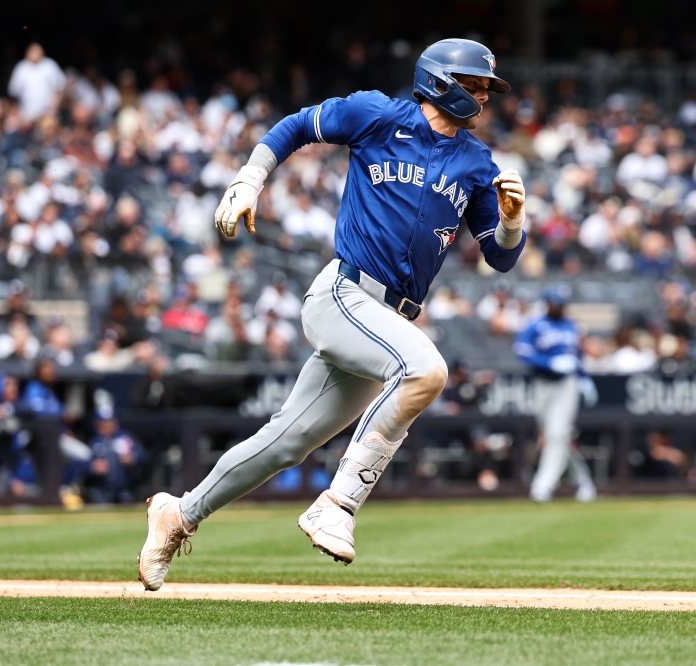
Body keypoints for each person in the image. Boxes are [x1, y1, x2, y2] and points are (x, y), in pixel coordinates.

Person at [138, 39, 526, 590]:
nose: (484, 96)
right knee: (426, 371)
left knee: (287, 441)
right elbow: (295, 126)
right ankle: (337, 504)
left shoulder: (476, 161)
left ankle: (178, 514)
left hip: (390, 318)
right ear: (439, 81)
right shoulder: (378, 114)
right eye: (475, 83)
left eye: (487, 86)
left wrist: (512, 221)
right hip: (345, 294)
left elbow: (501, 257)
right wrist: (250, 179)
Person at [514, 285, 597, 503]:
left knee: (557, 434)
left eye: (560, 303)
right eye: (554, 302)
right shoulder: (536, 325)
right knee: (555, 436)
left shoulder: (571, 325)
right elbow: (522, 351)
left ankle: (543, 485)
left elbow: (577, 355)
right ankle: (583, 480)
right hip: (542, 383)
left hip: (566, 385)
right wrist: (548, 362)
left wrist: (584, 376)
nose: (557, 307)